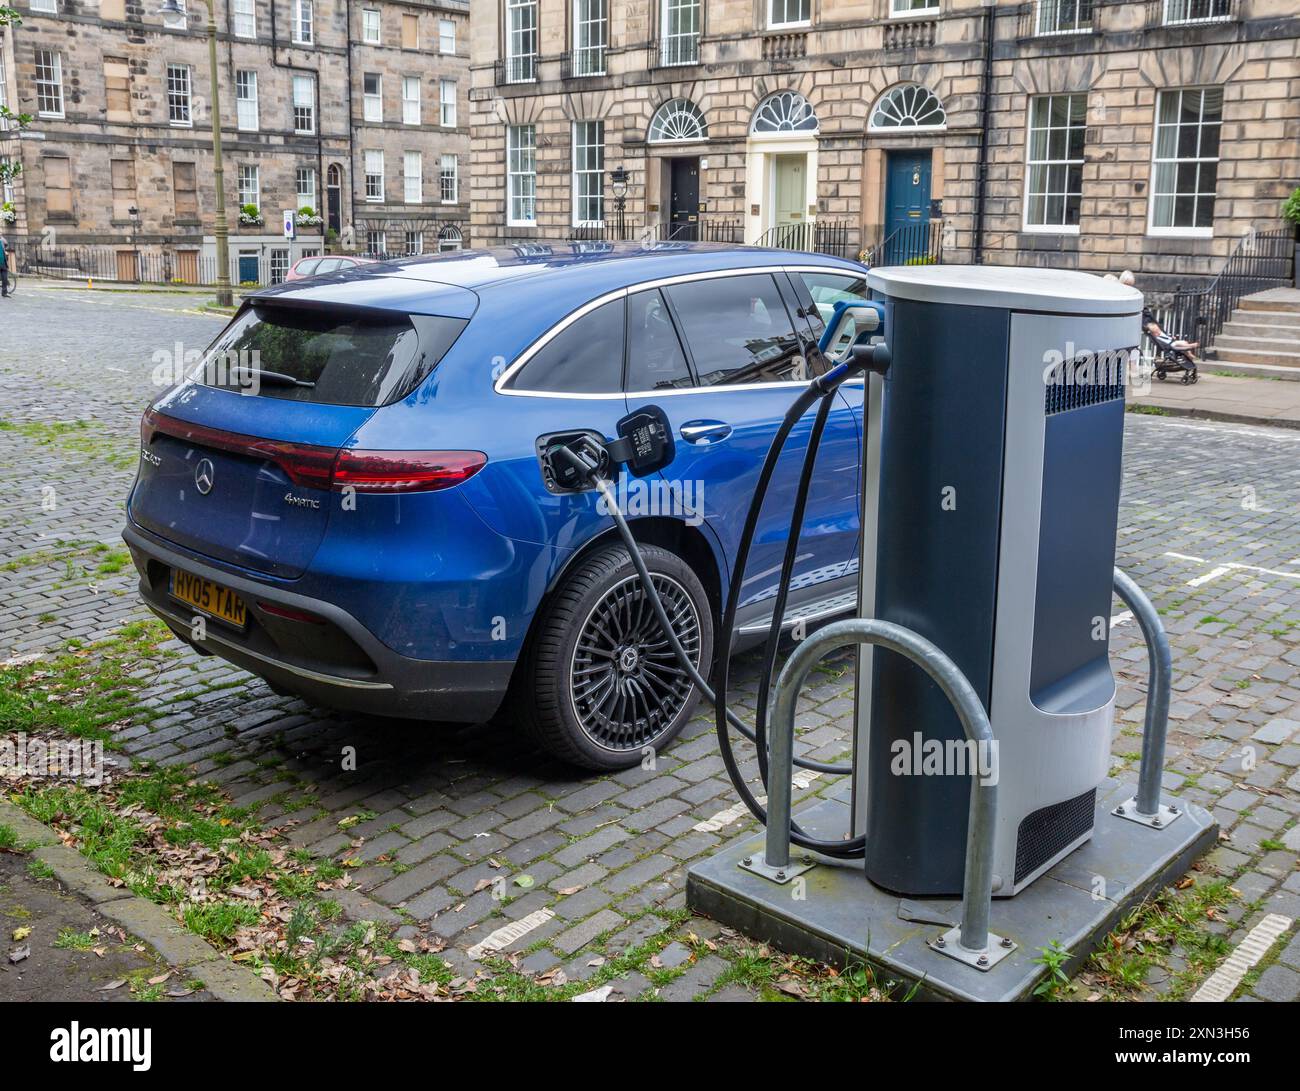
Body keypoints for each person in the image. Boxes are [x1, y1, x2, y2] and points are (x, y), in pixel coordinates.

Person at [1120, 269, 1200, 359]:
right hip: (1133, 327)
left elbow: (1149, 319)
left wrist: (1166, 334)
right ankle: (1189, 348)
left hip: (1158, 331)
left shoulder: (1135, 295)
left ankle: (1189, 350)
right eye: (1127, 285)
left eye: (1131, 285)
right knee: (1178, 344)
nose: (1130, 287)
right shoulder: (1122, 294)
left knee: (1179, 343)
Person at [0, 233, 8, 298]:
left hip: (3, 262)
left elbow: (6, 243)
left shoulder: (1, 241)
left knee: (5, 277)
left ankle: (4, 292)